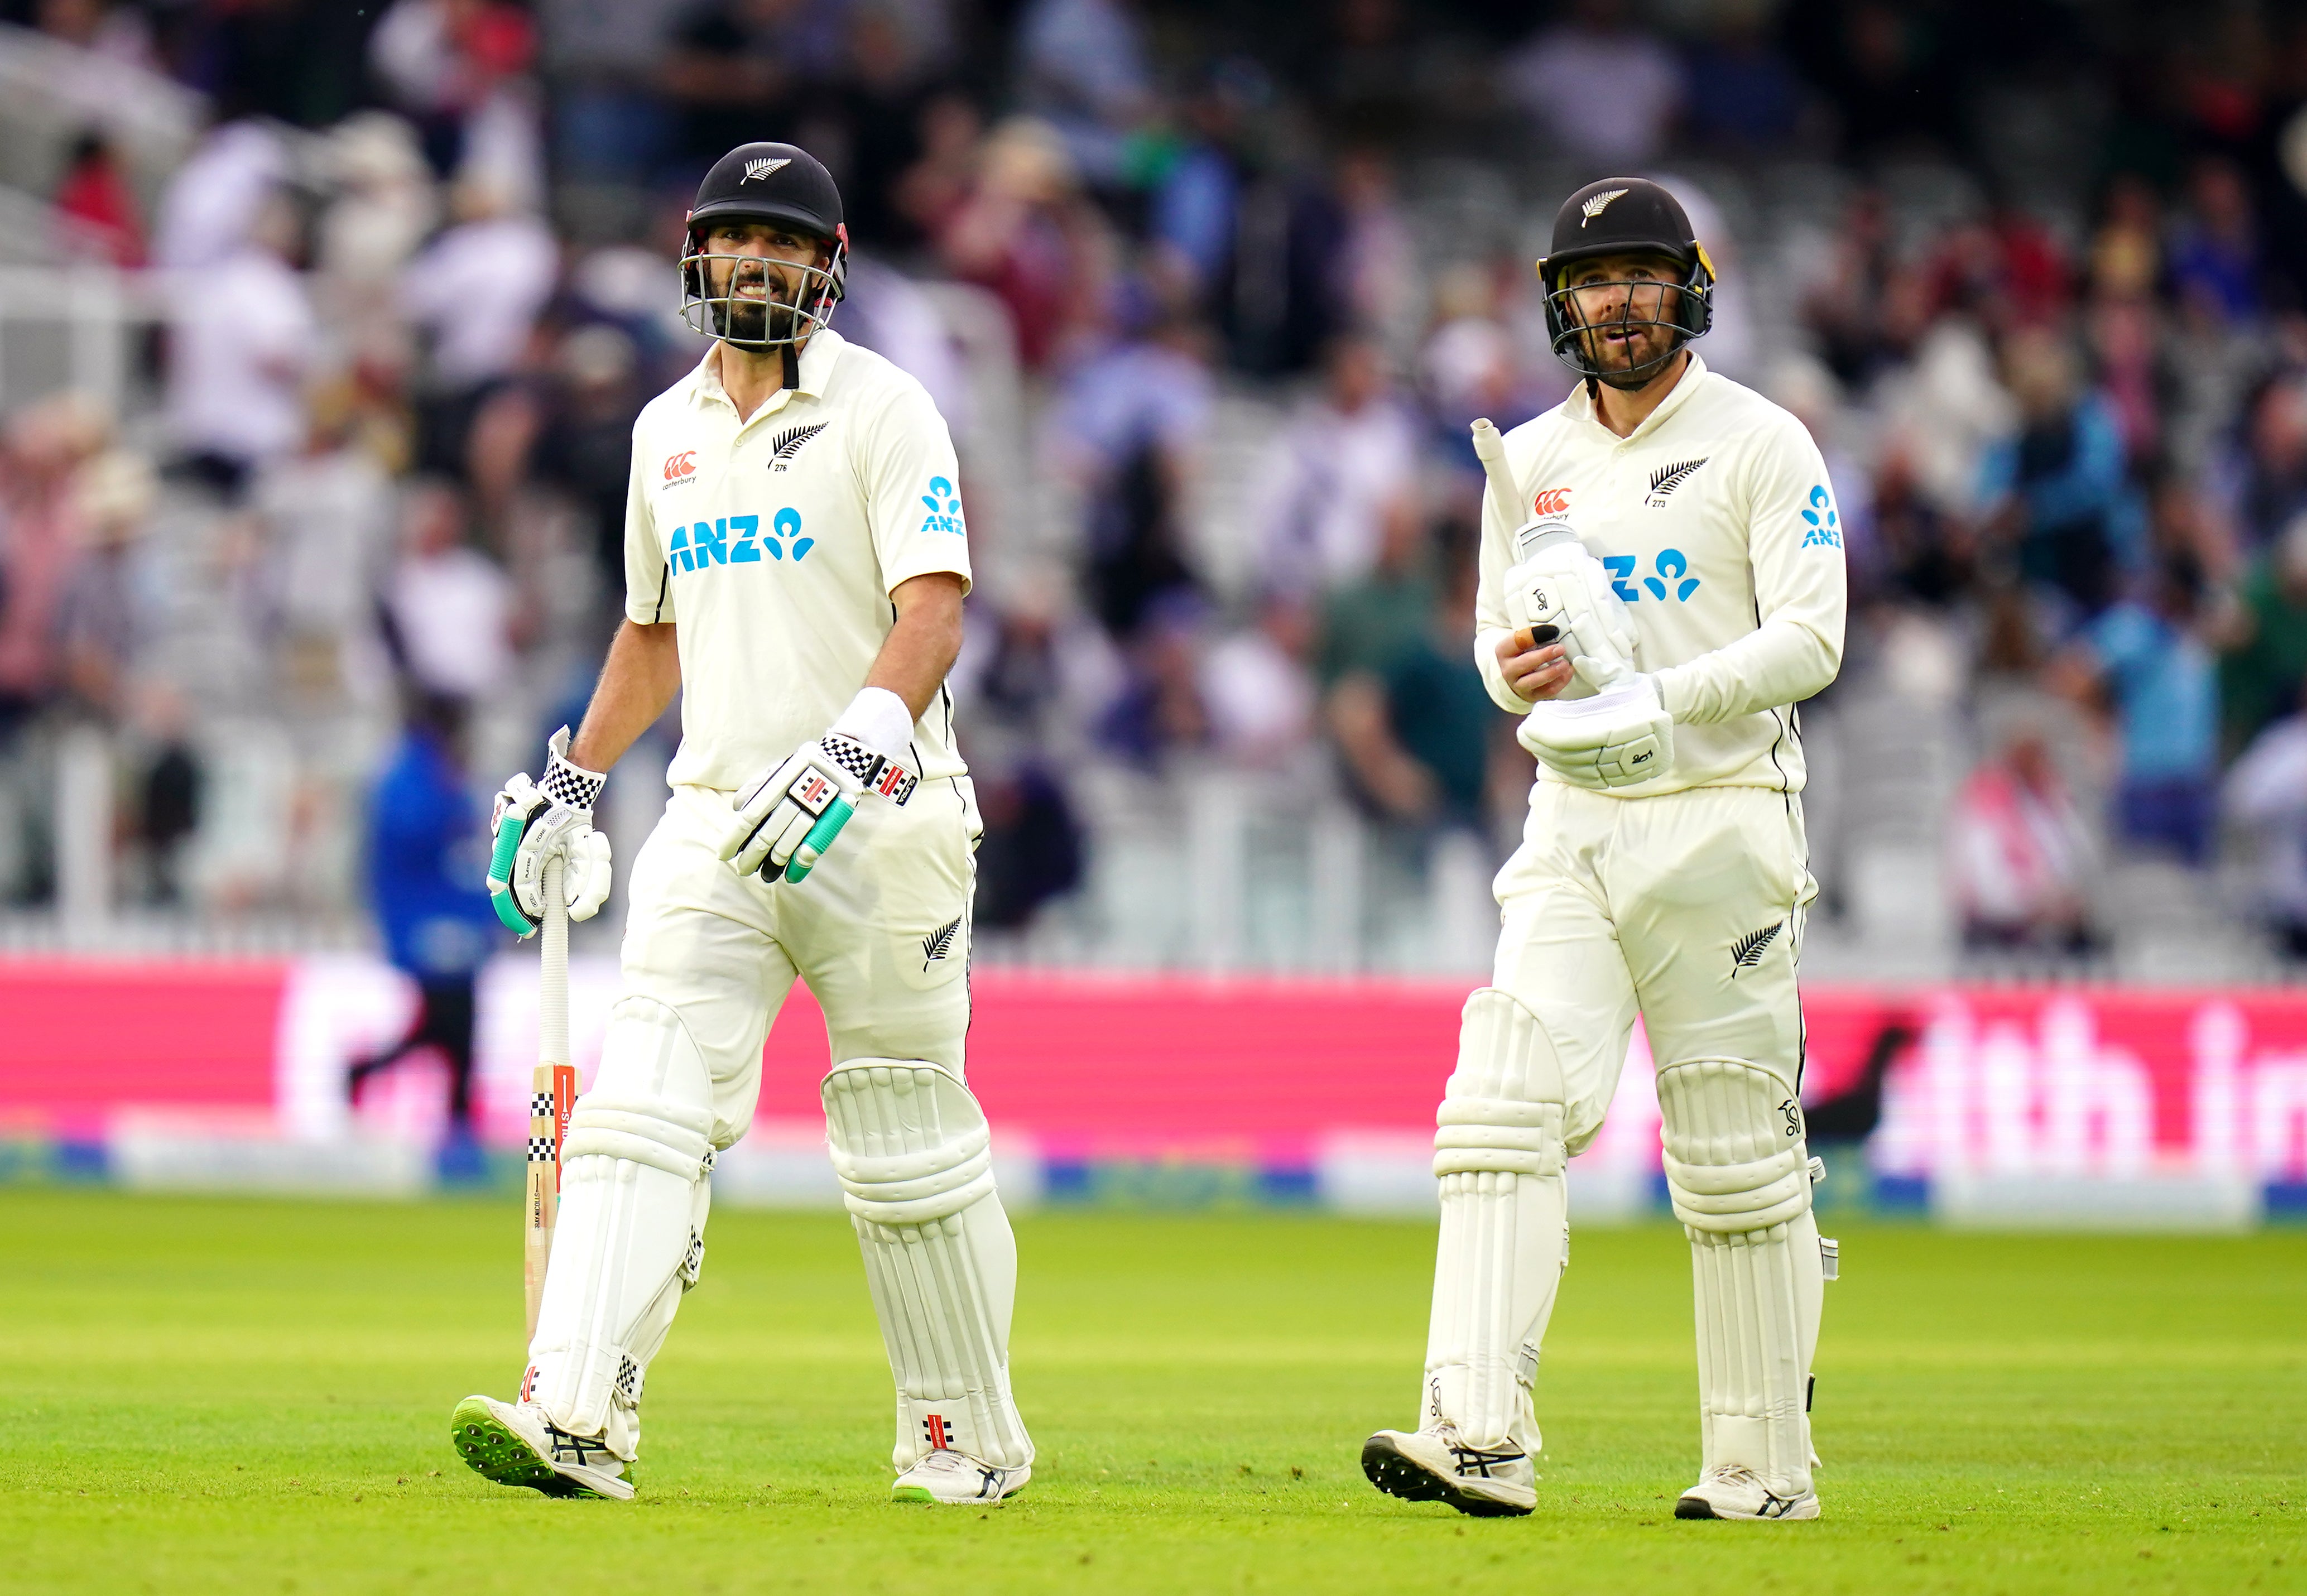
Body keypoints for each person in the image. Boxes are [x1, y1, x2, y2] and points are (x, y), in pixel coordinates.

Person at [450, 143, 1031, 1508]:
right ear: (696, 259)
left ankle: (964, 1437)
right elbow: (653, 631)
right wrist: (575, 777)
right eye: (733, 239)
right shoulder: (664, 432)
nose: (756, 262)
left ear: (827, 268)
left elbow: (932, 609)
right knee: (641, 1094)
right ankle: (577, 1412)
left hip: (880, 818)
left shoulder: (888, 410)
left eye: (784, 243)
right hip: (717, 820)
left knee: (903, 1136)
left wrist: (859, 738)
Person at [1359, 178, 1846, 1522]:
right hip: (1571, 819)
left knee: (1733, 1155)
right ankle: (1476, 1433)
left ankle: (1760, 1470)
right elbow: (1491, 652)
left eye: (1639, 274)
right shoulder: (1522, 460)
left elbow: (1812, 640)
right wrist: (1523, 672)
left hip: (1721, 821)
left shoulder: (1760, 441)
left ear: (1687, 285)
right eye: (1593, 279)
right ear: (1558, 301)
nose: (1616, 299)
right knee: (1501, 1096)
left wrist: (1658, 696)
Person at [347, 693, 499, 1174]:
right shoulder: (415, 778)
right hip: (429, 923)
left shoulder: (421, 772)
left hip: (438, 919)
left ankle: (453, 1120)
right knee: (453, 1023)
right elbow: (419, 837)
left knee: (447, 1024)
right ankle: (456, 1127)